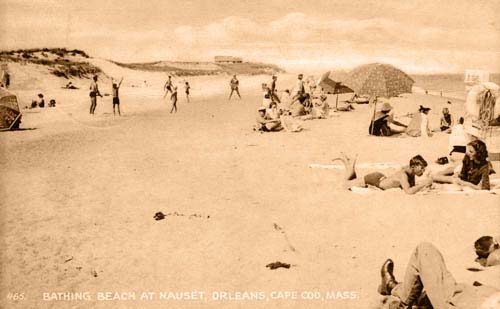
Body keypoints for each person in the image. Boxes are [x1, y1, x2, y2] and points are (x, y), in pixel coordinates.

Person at [377, 242, 500, 309]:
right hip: (472, 295)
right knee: (428, 291)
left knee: (424, 250)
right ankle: (394, 288)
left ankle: (401, 302)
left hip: (461, 302)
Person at [333, 153, 432, 194]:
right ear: (413, 167)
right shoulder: (404, 175)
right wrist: (423, 184)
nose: (423, 171)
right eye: (422, 168)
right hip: (375, 180)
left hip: (380, 178)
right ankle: (346, 163)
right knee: (345, 184)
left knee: (352, 181)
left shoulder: (411, 172)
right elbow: (408, 191)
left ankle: (349, 164)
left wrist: (426, 185)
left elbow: (412, 186)